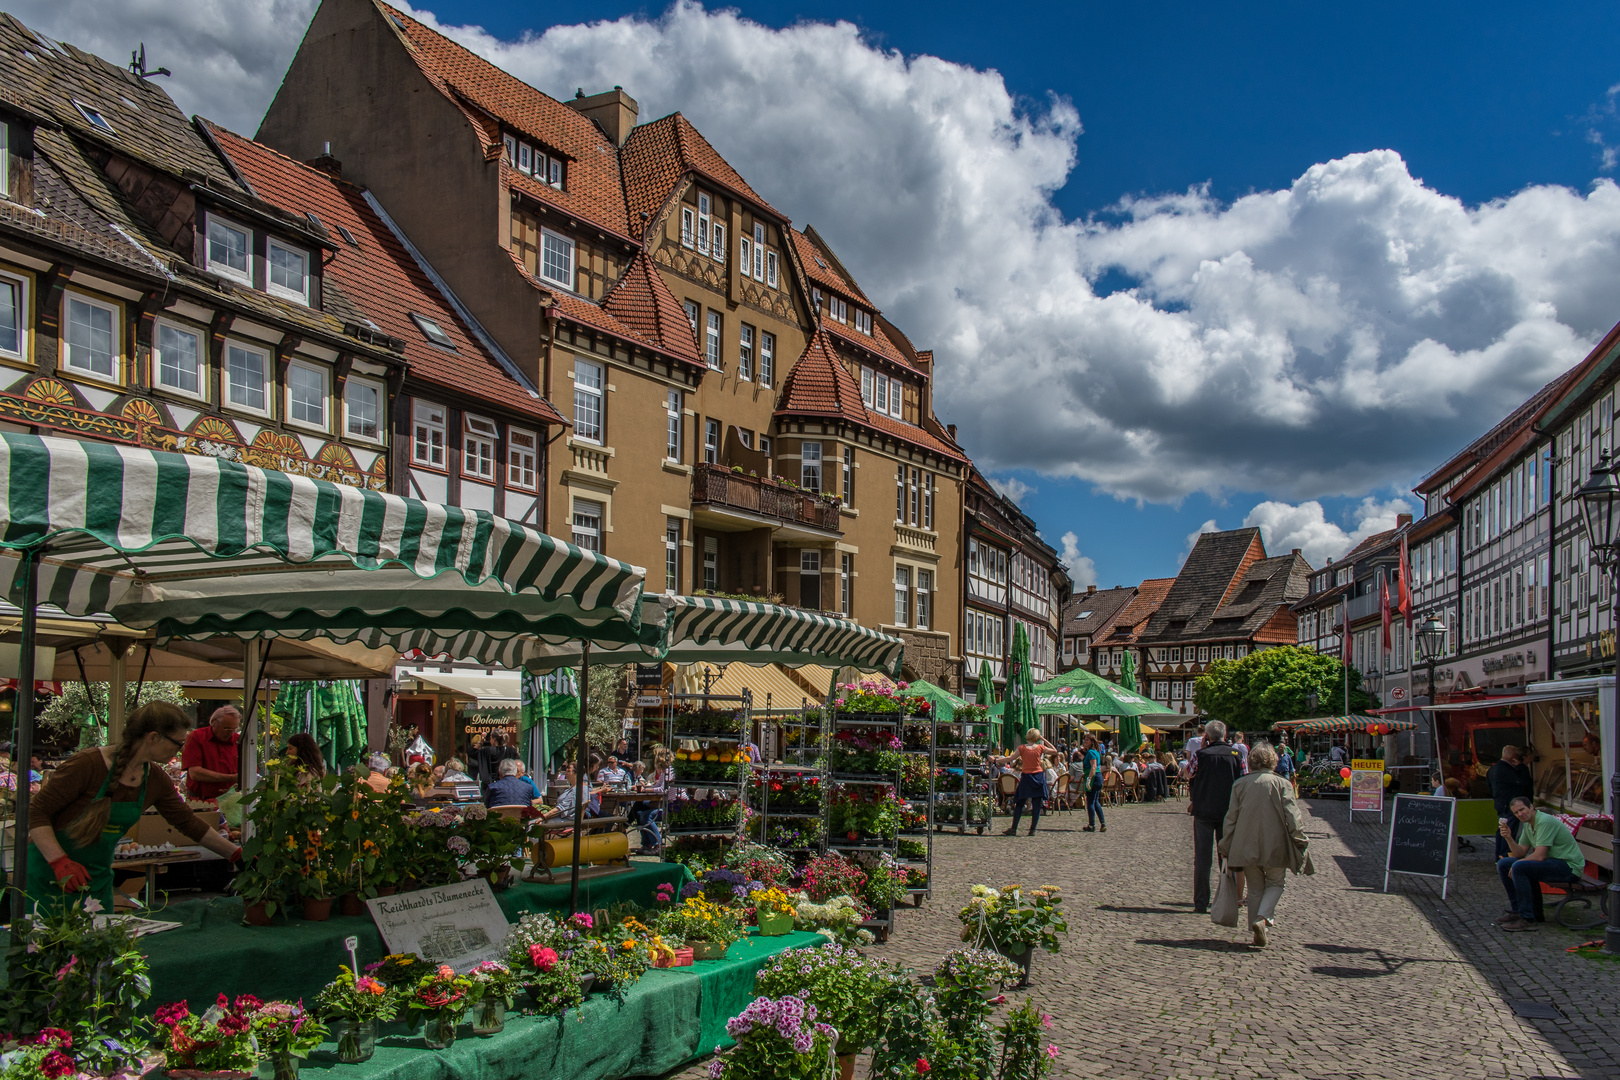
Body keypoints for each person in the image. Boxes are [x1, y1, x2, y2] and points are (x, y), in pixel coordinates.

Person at [27, 702, 241, 914]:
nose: (181, 749)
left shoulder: (155, 779)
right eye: (178, 743)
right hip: (51, 881)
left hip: (97, 883)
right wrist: (59, 862)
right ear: (153, 737)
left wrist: (237, 855)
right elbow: (36, 813)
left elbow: (188, 822)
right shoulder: (87, 765)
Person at [1217, 741, 1314, 947]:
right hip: (1275, 843)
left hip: (1246, 843)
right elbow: (1293, 817)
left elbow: (1231, 818)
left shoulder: (1240, 784)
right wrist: (1300, 839)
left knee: (1254, 889)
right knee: (1276, 883)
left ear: (1251, 761)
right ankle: (1262, 919)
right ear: (1273, 761)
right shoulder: (1282, 784)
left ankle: (1256, 928)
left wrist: (1225, 844)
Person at [1496, 796, 1585, 931]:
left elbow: (1539, 855)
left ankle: (1528, 919)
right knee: (1504, 864)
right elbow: (1520, 853)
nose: (1520, 814)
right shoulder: (1528, 824)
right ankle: (1519, 911)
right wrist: (1508, 837)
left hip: (1569, 867)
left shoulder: (1544, 821)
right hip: (1552, 862)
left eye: (1522, 809)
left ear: (1531, 807)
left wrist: (1516, 865)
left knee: (1519, 867)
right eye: (1516, 813)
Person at [1188, 720, 1244, 914]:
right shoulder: (1236, 755)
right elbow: (1242, 780)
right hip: (1228, 812)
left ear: (1207, 737)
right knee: (1227, 858)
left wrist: (1203, 749)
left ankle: (1201, 902)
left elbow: (1190, 774)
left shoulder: (1200, 755)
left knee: (1203, 859)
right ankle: (1229, 898)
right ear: (1225, 735)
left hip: (1204, 810)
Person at [995, 728, 1058, 836]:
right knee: (1036, 804)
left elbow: (1009, 758)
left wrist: (995, 760)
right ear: (1037, 737)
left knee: (1020, 803)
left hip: (1027, 776)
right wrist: (1043, 739)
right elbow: (1054, 750)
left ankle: (1014, 828)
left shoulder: (1022, 748)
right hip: (1038, 776)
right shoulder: (1040, 747)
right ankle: (1032, 829)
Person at [181, 705, 241, 800]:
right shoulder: (197, 737)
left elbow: (250, 771)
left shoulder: (238, 741)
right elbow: (195, 773)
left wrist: (234, 788)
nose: (231, 733)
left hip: (231, 800)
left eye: (234, 729)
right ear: (214, 723)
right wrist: (232, 778)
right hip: (201, 801)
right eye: (227, 729)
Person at [1486, 745, 1535, 858]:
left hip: (1500, 802)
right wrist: (1522, 767)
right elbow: (1523, 784)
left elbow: (1489, 786)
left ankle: (1499, 855)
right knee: (1509, 831)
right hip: (1510, 804)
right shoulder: (1508, 770)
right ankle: (1505, 854)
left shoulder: (1493, 769)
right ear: (1513, 756)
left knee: (1502, 829)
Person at [1079, 734, 1107, 833]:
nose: (1085, 741)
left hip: (1094, 777)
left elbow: (1093, 766)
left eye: (1087, 740)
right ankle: (1102, 823)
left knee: (1090, 802)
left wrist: (1089, 779)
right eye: (1084, 739)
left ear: (1091, 742)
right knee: (1095, 802)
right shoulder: (1095, 752)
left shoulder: (1091, 752)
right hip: (1098, 777)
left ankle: (1092, 825)